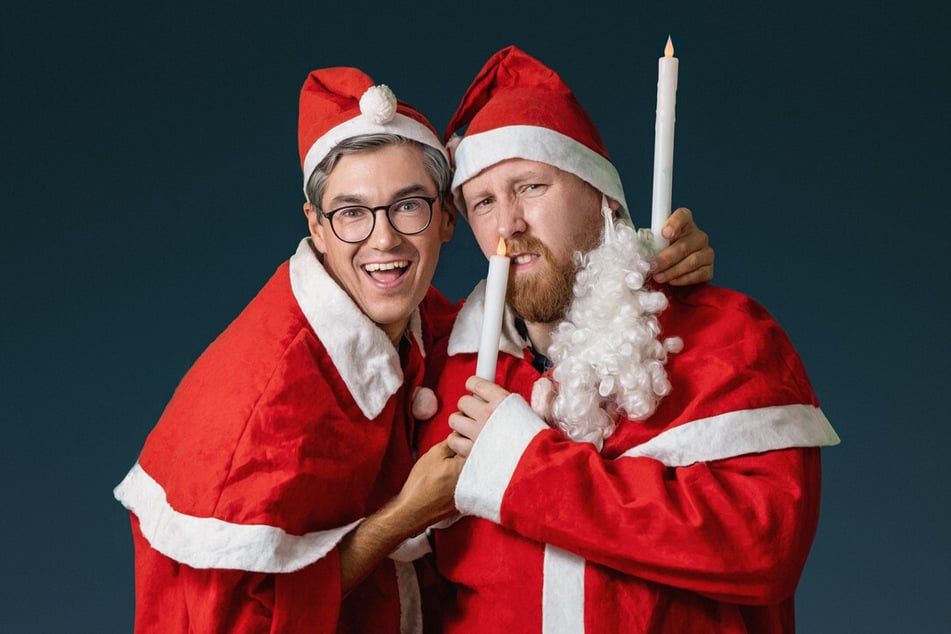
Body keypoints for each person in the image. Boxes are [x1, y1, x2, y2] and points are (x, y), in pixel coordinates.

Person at [418, 46, 841, 633]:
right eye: (484, 202)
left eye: (531, 186)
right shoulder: (444, 372)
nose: (508, 225)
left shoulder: (728, 337)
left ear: (604, 199)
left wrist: (524, 467)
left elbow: (762, 548)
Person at [113, 67, 466, 633]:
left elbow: (528, 320)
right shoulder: (264, 402)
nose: (384, 240)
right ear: (317, 227)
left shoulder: (423, 319)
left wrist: (650, 271)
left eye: (408, 206)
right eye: (351, 212)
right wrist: (404, 516)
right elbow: (242, 622)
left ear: (446, 218)